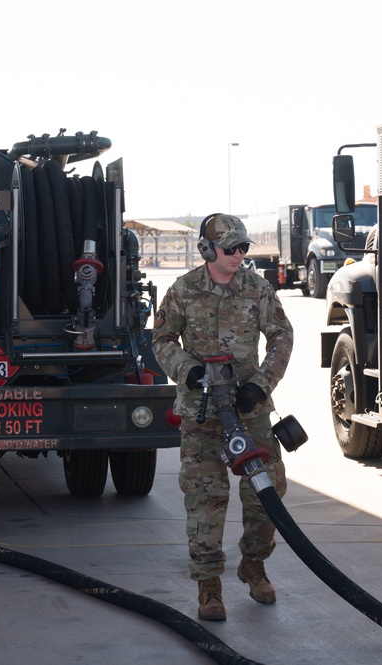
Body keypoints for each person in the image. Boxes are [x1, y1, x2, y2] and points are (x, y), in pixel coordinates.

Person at [152, 213, 294, 622]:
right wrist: (188, 370)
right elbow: (161, 339)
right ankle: (208, 586)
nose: (238, 255)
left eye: (243, 248)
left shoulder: (257, 288)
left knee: (267, 496)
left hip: (250, 411)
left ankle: (254, 564)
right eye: (229, 248)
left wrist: (261, 384)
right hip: (201, 415)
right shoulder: (184, 290)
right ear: (207, 249)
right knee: (206, 499)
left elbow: (282, 335)